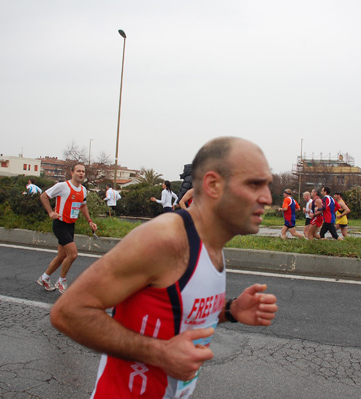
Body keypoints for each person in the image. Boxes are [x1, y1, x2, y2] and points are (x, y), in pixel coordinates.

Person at [50, 137, 278, 399]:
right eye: (254, 184)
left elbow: (180, 312)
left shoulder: (214, 241)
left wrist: (230, 310)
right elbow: (68, 312)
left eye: (268, 185)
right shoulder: (165, 239)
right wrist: (160, 353)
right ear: (213, 184)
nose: (267, 197)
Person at [37, 163, 98, 294]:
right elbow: (43, 196)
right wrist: (50, 212)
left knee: (62, 255)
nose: (81, 174)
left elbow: (83, 206)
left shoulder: (83, 190)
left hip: (71, 225)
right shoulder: (63, 186)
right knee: (73, 254)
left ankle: (44, 278)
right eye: (78, 171)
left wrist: (90, 221)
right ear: (72, 173)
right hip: (60, 224)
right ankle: (61, 280)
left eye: (83, 172)